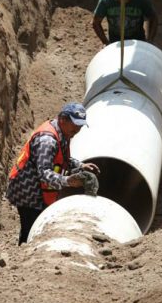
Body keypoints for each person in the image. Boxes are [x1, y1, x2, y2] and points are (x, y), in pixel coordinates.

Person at [6, 103, 101, 245]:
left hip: (40, 189)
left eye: (80, 126)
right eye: (75, 125)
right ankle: (23, 256)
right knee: (31, 229)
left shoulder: (63, 132)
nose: (77, 129)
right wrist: (68, 181)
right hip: (28, 192)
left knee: (37, 226)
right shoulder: (47, 140)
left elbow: (61, 158)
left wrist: (81, 165)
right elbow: (44, 174)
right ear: (63, 119)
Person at [92, 0, 158, 45]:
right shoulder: (106, 1)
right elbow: (96, 23)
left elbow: (153, 18)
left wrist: (149, 41)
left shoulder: (141, 1)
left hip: (138, 42)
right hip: (116, 42)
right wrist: (106, 43)